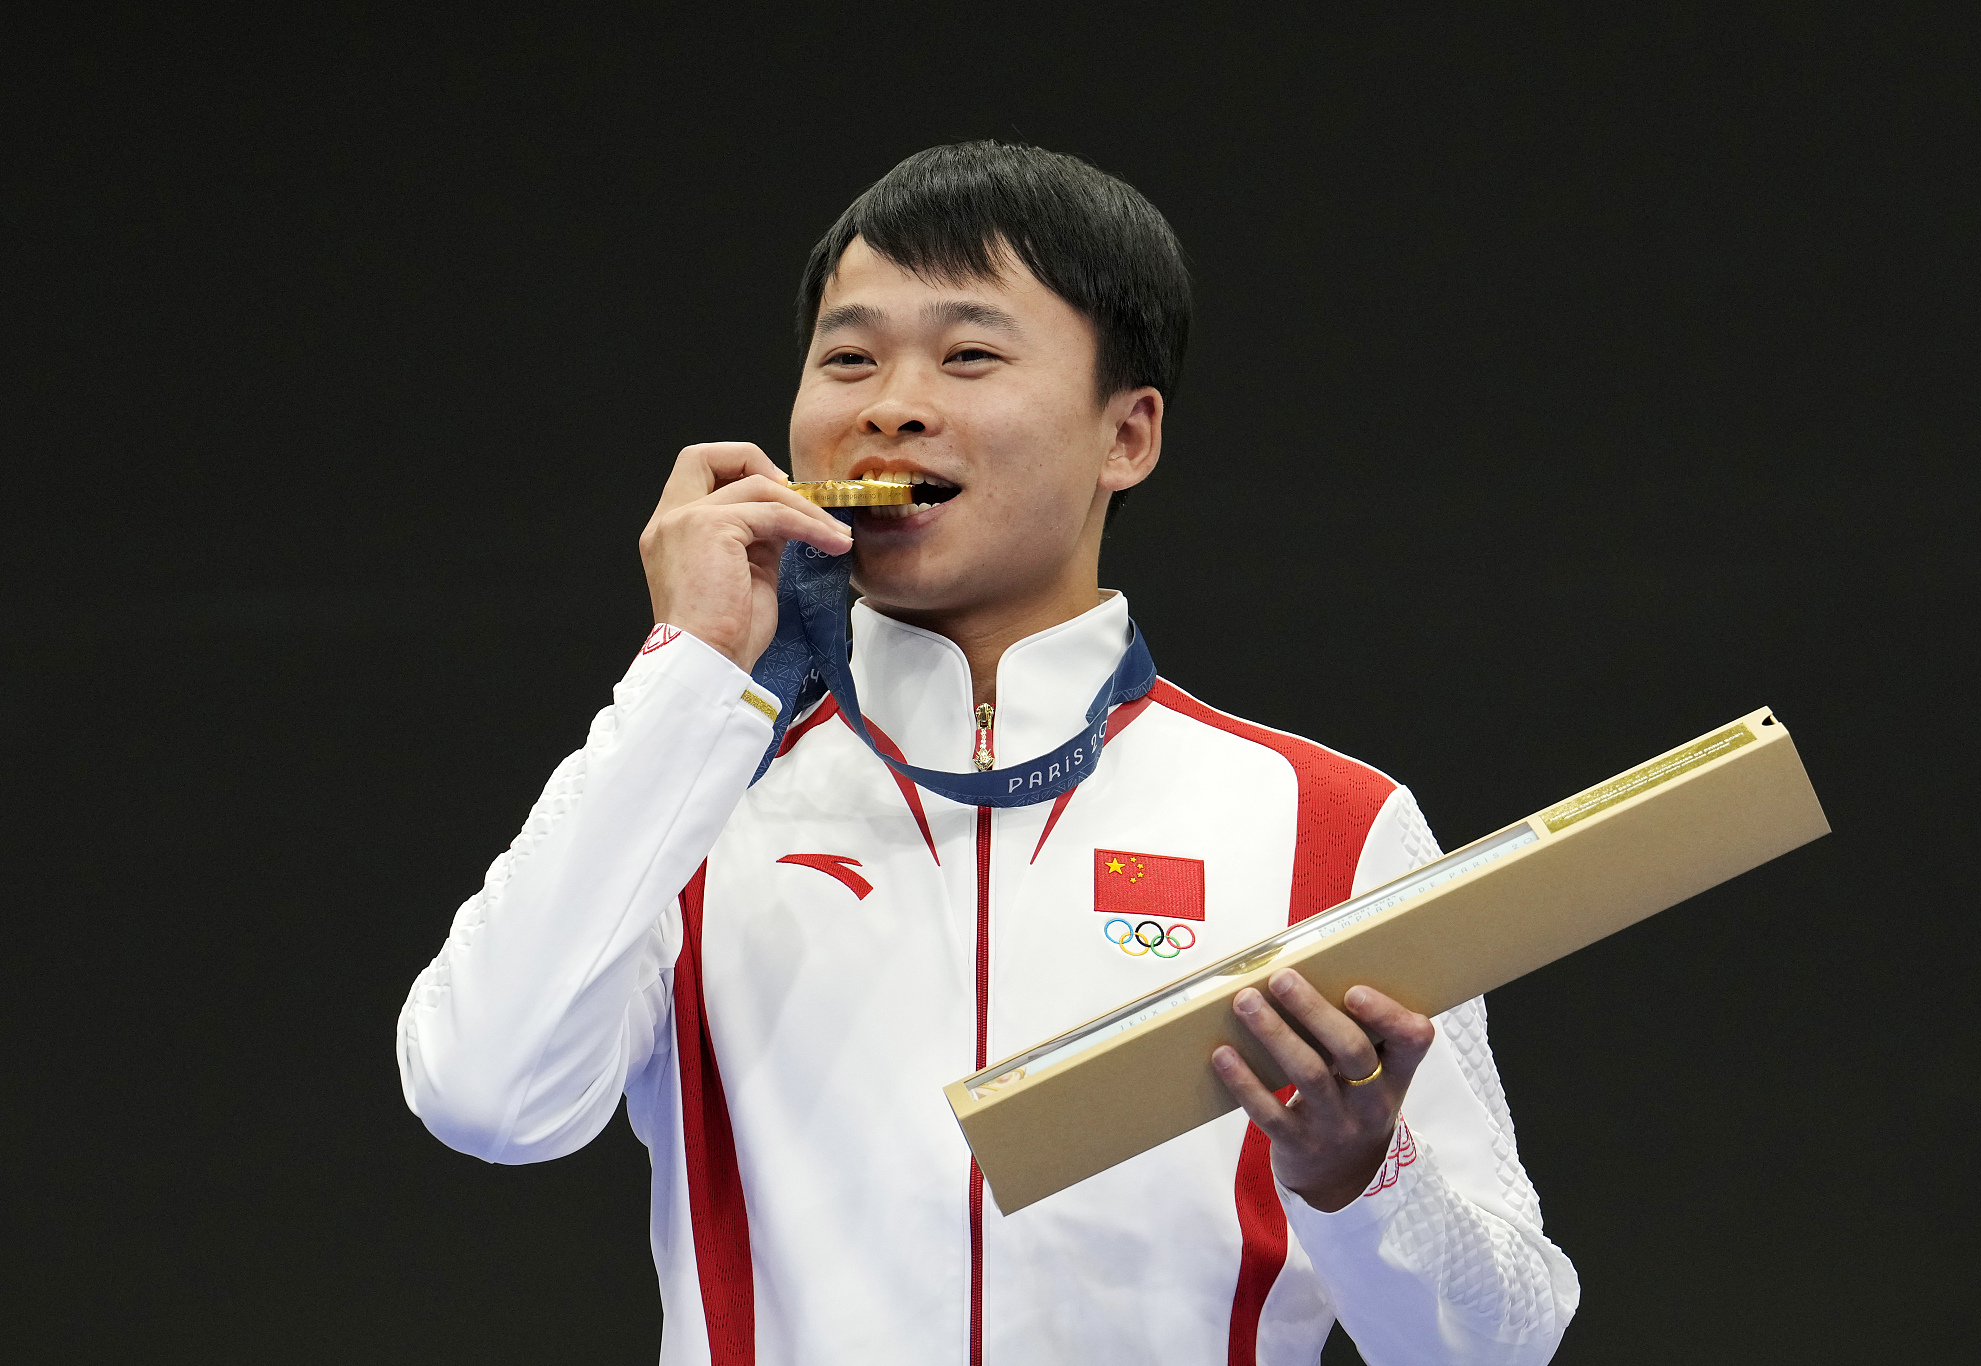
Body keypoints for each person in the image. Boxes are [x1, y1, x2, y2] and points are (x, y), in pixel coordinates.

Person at [397, 141, 1578, 1365]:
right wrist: (690, 667)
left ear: (1126, 436)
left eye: (968, 354)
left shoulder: (1324, 823)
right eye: (847, 357)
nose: (890, 406)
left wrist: (1362, 1175)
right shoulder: (692, 798)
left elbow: (1499, 1343)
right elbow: (486, 1097)